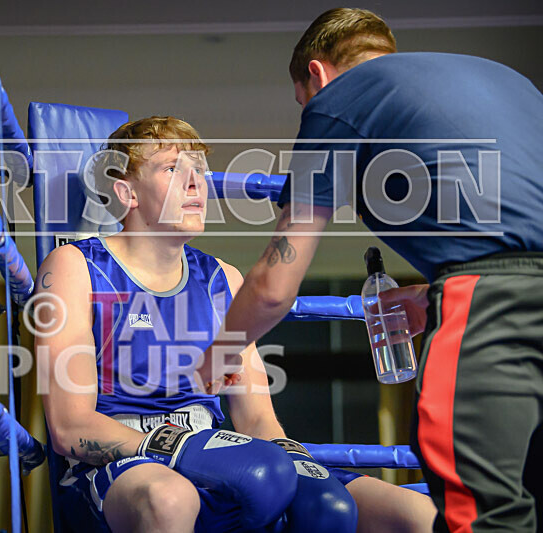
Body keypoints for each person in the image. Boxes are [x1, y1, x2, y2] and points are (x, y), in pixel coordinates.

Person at [199, 8, 543, 533]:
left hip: (497, 306)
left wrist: (219, 354)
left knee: (486, 512)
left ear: (317, 74)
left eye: (302, 102)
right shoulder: (499, 79)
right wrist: (431, 296)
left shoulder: (338, 102)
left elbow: (274, 285)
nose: (308, 112)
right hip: (506, 287)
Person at [34, 116, 431, 532]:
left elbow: (257, 418)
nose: (195, 184)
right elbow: (69, 426)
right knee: (170, 498)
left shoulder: (221, 280)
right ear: (126, 192)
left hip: (220, 463)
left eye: (198, 170)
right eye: (172, 169)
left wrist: (290, 456)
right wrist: (182, 449)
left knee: (409, 514)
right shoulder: (77, 267)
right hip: (123, 469)